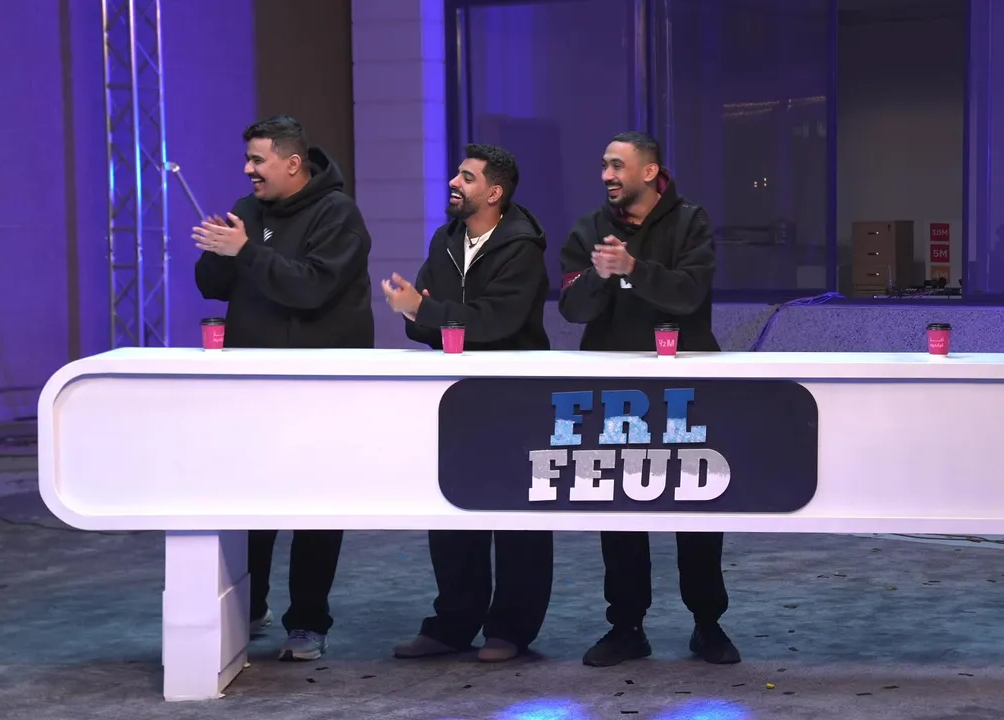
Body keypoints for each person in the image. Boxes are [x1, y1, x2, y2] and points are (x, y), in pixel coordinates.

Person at [192, 114, 374, 662]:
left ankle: (308, 622)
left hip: (321, 387)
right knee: (251, 502)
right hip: (252, 384)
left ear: (293, 163)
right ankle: (248, 606)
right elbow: (212, 287)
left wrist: (245, 251)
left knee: (316, 505)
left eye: (258, 160)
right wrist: (217, 250)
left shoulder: (338, 214)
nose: (248, 170)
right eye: (247, 159)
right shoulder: (249, 210)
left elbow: (311, 288)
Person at [558, 131, 739, 667]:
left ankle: (707, 623)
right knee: (617, 506)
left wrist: (634, 269)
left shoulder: (690, 222)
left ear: (649, 171)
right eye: (604, 165)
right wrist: (600, 275)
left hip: (685, 382)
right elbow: (572, 308)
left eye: (617, 165)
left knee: (697, 503)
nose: (607, 175)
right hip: (614, 387)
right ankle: (626, 626)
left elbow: (688, 293)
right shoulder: (589, 229)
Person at [382, 143, 553, 662]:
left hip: (513, 394)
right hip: (455, 392)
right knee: (452, 508)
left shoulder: (522, 248)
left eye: (467, 177)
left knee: (517, 514)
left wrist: (426, 311)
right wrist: (420, 313)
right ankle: (452, 624)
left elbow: (498, 321)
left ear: (494, 192)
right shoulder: (446, 239)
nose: (454, 182)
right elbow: (426, 322)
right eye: (457, 174)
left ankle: (511, 629)